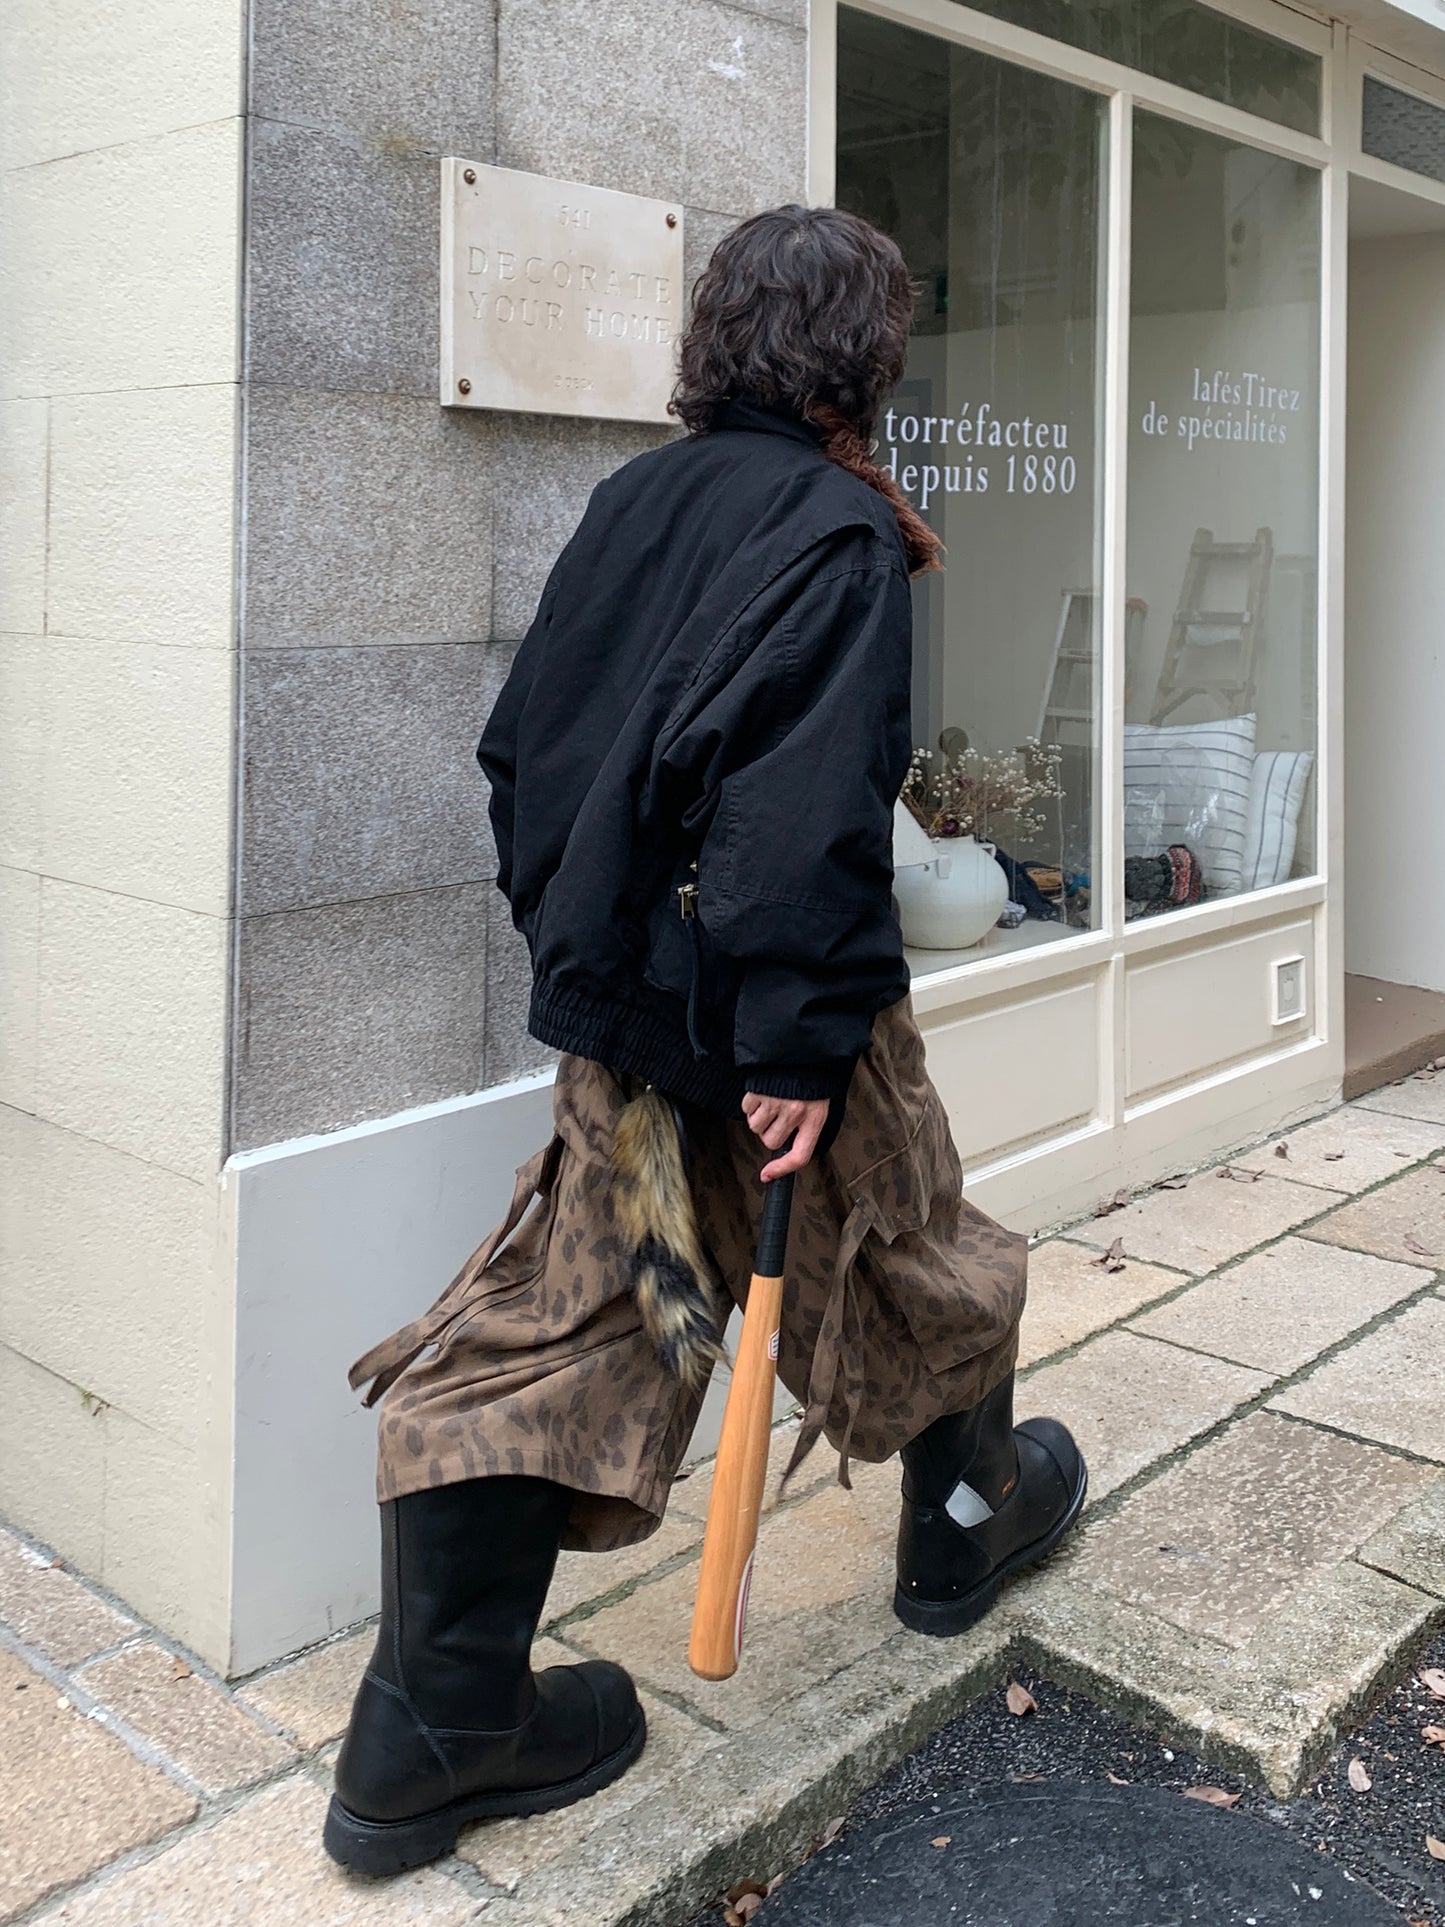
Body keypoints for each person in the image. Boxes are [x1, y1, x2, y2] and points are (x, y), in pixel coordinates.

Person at [324, 204, 1086, 1878]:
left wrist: (601, 976)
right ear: (864, 358)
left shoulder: (633, 501)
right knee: (911, 1249)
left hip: (633, 1022)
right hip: (779, 1016)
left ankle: (430, 1724)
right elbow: (799, 818)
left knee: (576, 1307)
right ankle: (962, 1524)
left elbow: (519, 755)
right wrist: (797, 1049)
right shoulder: (833, 530)